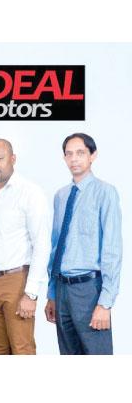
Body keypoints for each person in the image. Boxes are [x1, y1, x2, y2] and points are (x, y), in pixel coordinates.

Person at [45, 133, 121, 355]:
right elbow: (55, 247)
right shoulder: (61, 196)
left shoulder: (105, 192)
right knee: (69, 355)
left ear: (92, 156)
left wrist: (105, 303)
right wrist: (52, 293)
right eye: (69, 154)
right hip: (61, 289)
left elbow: (112, 250)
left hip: (89, 290)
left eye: (80, 153)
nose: (74, 159)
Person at [0, 139, 50, 355]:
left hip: (17, 282)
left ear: (13, 159)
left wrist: (31, 294)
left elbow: (42, 245)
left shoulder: (29, 193)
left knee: (22, 349)